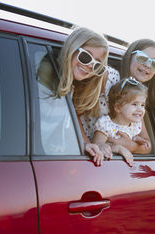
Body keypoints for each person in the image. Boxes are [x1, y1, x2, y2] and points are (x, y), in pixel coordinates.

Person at [56, 27, 110, 165]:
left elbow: (73, 115)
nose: (89, 66)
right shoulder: (48, 81)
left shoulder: (72, 88)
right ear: (72, 49)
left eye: (97, 65)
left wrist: (85, 143)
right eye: (85, 57)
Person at [92, 77, 149, 167]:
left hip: (124, 168)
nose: (140, 109)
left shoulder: (135, 125)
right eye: (134, 104)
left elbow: (129, 136)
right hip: (107, 167)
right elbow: (97, 145)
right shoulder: (106, 124)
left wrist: (136, 139)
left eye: (142, 105)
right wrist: (118, 148)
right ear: (118, 108)